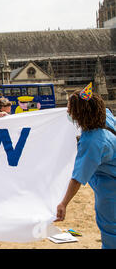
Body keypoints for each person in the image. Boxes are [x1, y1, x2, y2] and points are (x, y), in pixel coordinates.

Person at [55, 83, 116, 249]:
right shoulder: (105, 117)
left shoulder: (92, 141)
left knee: (111, 228)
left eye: (70, 111)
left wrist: (63, 203)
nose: (69, 113)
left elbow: (78, 178)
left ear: (80, 113)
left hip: (110, 187)